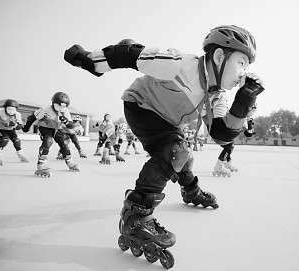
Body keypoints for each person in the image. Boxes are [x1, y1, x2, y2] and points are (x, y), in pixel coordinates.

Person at [64, 25, 263, 267]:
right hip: (141, 106)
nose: (243, 72)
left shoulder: (218, 95)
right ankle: (135, 217)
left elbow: (221, 134)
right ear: (220, 56)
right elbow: (130, 54)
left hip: (168, 121)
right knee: (175, 152)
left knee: (184, 157)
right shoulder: (179, 64)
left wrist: (244, 101)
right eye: (241, 62)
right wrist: (90, 61)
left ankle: (190, 189)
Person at [22, 92, 80, 177]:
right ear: (53, 103)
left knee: (64, 144)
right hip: (45, 127)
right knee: (48, 141)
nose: (60, 108)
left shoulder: (65, 111)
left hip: (57, 128)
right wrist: (26, 128)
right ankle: (41, 164)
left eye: (62, 107)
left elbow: (71, 126)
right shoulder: (45, 109)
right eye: (58, 106)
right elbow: (31, 118)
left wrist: (66, 121)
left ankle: (69, 161)